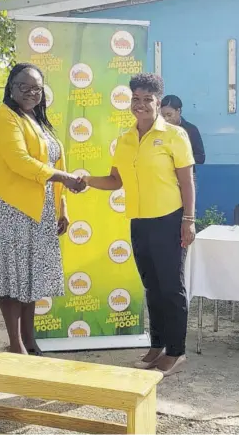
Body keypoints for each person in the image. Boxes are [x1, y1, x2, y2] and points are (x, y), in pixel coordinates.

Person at [81, 73, 196, 376]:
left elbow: (187, 182)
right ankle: (157, 346)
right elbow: (115, 180)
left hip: (170, 220)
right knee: (152, 287)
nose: (141, 105)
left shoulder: (174, 135)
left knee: (171, 288)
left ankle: (176, 351)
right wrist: (85, 180)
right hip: (139, 222)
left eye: (148, 99)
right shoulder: (124, 140)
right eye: (136, 99)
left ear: (158, 102)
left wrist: (188, 220)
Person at [0, 63, 85, 355]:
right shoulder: (2, 117)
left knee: (30, 277)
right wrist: (65, 178)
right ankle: (16, 344)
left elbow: (55, 162)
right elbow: (20, 161)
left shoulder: (36, 119)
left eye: (36, 88)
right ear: (11, 86)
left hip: (39, 210)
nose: (31, 92)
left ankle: (30, 339)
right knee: (11, 277)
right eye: (24, 86)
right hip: (9, 209)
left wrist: (62, 206)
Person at [161, 95, 205, 166]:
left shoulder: (191, 130)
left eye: (169, 115)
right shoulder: (159, 130)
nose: (166, 119)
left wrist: (179, 160)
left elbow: (200, 157)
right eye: (163, 116)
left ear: (178, 111)